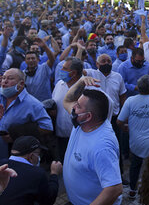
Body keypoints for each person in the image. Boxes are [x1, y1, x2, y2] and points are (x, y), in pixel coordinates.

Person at [62, 76, 123, 205]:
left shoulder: (102, 146)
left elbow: (114, 188)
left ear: (88, 116)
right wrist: (81, 82)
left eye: (78, 106)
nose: (73, 108)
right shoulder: (81, 122)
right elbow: (66, 100)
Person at [0, 135, 62, 205]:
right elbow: (48, 200)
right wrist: (54, 174)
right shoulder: (37, 174)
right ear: (32, 156)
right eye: (39, 154)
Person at [117, 75, 149, 199]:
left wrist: (126, 127)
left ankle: (133, 190)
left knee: (135, 166)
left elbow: (119, 121)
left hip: (136, 143)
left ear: (138, 88)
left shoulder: (130, 101)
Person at [52, 57, 84, 161]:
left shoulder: (86, 88)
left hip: (79, 137)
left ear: (73, 73)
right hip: (61, 135)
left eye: (64, 69)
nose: (61, 71)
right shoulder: (59, 84)